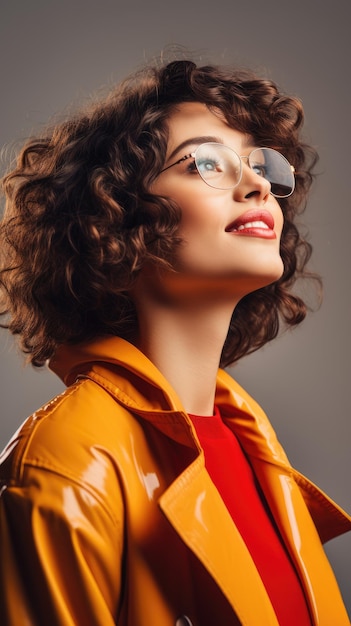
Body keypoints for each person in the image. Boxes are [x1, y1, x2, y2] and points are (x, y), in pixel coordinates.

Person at [0, 56, 350, 626]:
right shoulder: (68, 457)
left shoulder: (251, 440)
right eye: (205, 163)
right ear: (112, 223)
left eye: (260, 164)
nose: (257, 183)